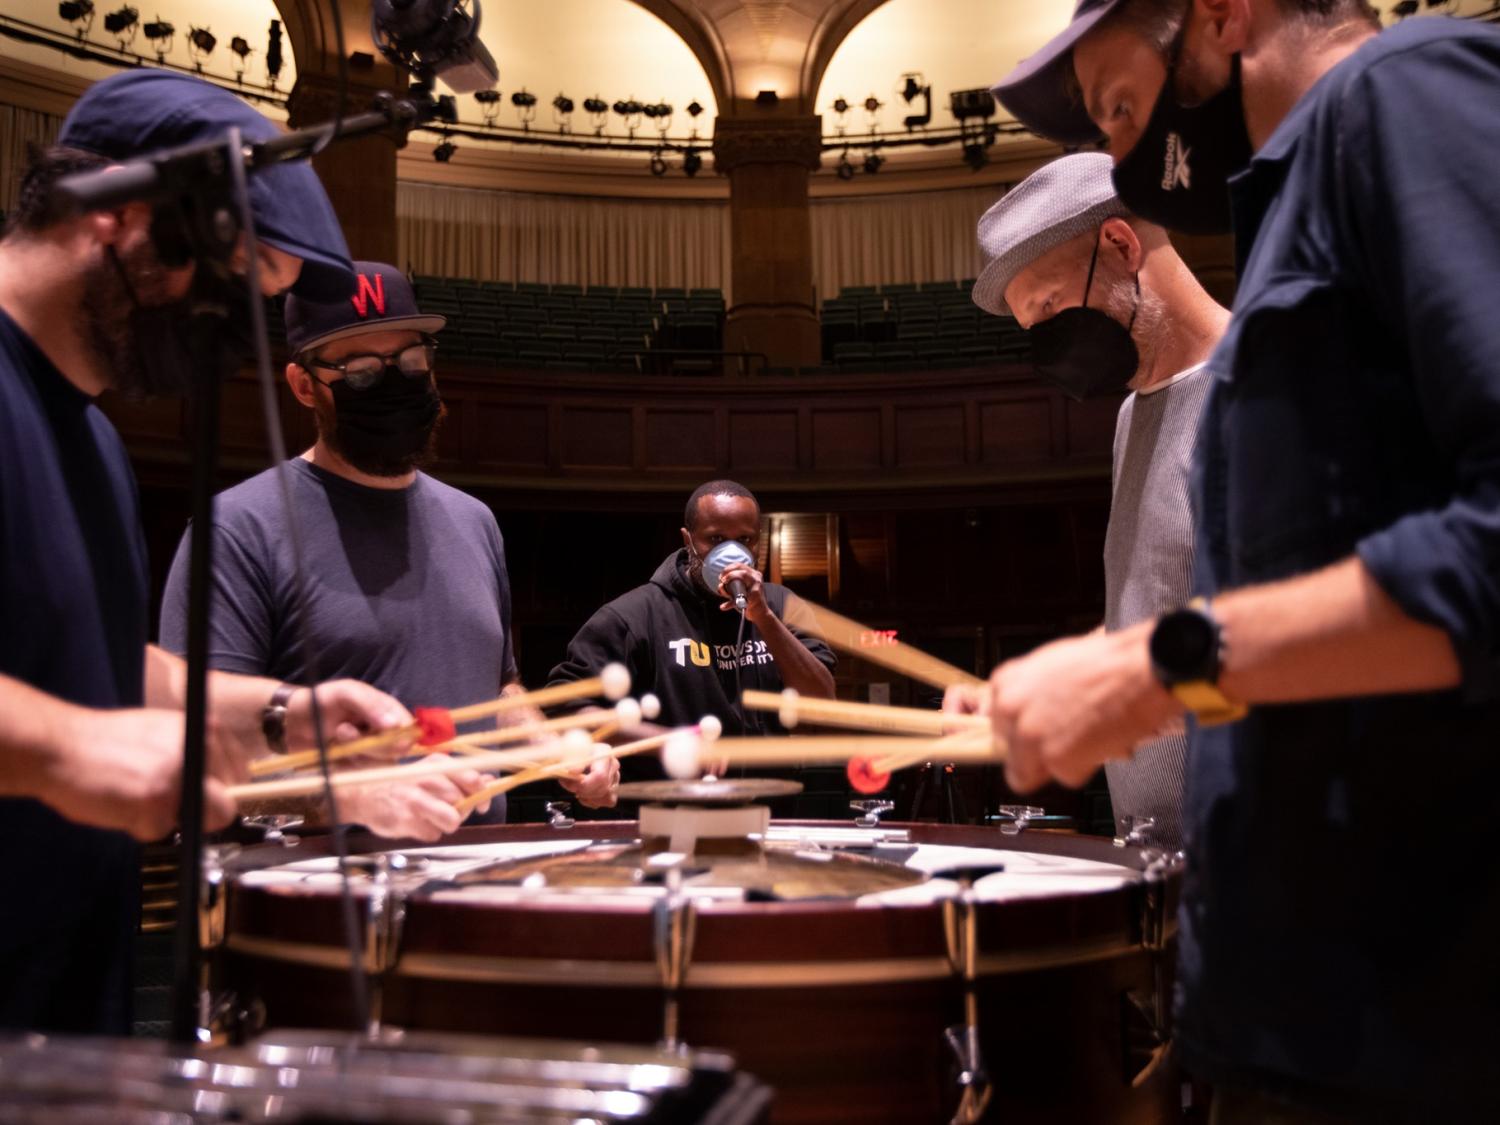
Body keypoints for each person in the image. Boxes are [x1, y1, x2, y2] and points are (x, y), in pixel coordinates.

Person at [972, 1, 1500, 1119]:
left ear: (1221, 12)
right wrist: (1164, 680)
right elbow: (1273, 651)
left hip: (1421, 1010)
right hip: (1308, 1013)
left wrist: (1152, 669)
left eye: (1121, 107)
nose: (1121, 156)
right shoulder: (1288, 226)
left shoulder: (1397, 94)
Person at [0, 71, 414, 1035]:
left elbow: (88, 661)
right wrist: (64, 749)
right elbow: (72, 723)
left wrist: (278, 713)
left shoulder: (93, 441)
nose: (228, 341)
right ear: (124, 216)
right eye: (230, 289)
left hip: (58, 1035)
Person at [159, 261, 618, 831]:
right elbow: (200, 747)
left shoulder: (474, 521)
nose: (394, 382)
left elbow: (496, 690)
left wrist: (555, 747)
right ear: (305, 386)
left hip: (476, 880)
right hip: (313, 899)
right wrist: (353, 795)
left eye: (408, 360)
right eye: (359, 371)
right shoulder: (237, 529)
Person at [968, 151, 1228, 847]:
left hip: (1261, 864)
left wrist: (1107, 692)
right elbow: (1149, 623)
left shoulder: (1259, 390)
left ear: (1120, 244)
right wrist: (1034, 686)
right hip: (1157, 859)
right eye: (1033, 328)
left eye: (1050, 307)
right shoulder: (1129, 419)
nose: (1051, 346)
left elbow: (1285, 660)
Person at [547, 480, 836, 779]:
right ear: (688, 539)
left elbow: (822, 703)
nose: (732, 553)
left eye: (746, 540)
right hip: (666, 816)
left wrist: (764, 619)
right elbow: (566, 710)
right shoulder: (633, 616)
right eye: (716, 539)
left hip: (769, 813)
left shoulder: (783, 606)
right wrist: (665, 741)